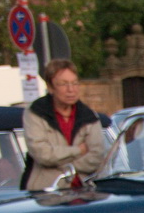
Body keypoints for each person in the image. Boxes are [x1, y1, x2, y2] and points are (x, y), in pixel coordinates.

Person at [23, 59, 106, 191]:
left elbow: (97, 155)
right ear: (50, 87)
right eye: (63, 84)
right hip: (47, 192)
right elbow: (42, 153)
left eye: (74, 83)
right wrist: (78, 150)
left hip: (85, 191)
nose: (71, 90)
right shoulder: (36, 113)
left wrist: (67, 167)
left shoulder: (89, 116)